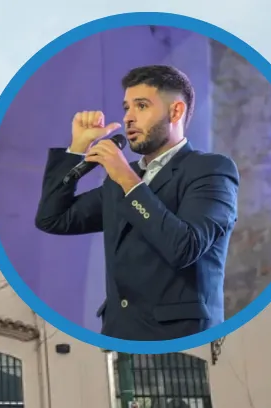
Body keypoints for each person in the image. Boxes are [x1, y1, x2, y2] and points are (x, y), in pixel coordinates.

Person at [35, 64, 239, 342]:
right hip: (121, 334)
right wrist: (76, 150)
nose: (129, 118)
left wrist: (128, 181)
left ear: (175, 111)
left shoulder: (210, 170)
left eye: (141, 106)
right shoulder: (121, 179)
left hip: (181, 337)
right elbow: (53, 219)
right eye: (126, 107)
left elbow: (185, 247)